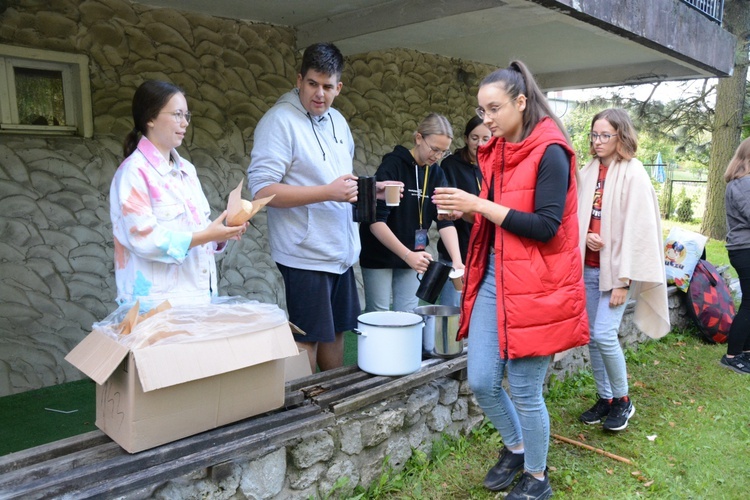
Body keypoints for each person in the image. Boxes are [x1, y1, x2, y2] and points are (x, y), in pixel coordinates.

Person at [432, 61, 589, 500]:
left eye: (495, 108)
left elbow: (546, 228)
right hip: (495, 279)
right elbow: (502, 220)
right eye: (482, 111)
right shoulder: (499, 150)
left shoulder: (551, 151)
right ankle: (518, 447)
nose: (487, 119)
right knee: (482, 379)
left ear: (521, 102)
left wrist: (478, 207)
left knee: (523, 387)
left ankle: (537, 479)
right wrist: (468, 211)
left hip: (539, 286)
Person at [247, 42, 361, 373]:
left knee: (336, 332)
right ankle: (307, 414)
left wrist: (367, 190)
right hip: (304, 253)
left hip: (340, 252)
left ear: (338, 87)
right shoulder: (279, 122)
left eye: (328, 87)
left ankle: (333, 403)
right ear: (299, 80)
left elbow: (340, 180)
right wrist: (327, 192)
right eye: (312, 83)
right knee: (306, 339)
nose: (319, 94)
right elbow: (262, 191)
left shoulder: (338, 121)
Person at [110, 80, 246, 309]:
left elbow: (201, 234)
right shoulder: (133, 172)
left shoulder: (187, 170)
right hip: (156, 307)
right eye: (177, 115)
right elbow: (144, 239)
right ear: (150, 118)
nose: (184, 123)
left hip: (198, 298)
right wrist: (206, 235)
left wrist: (221, 234)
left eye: (186, 115)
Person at [576, 108, 670, 431]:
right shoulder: (587, 171)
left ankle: (624, 400)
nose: (598, 141)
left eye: (605, 135)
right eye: (594, 134)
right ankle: (606, 398)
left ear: (621, 136)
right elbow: (577, 216)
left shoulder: (635, 173)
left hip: (618, 272)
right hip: (588, 267)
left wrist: (623, 280)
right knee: (592, 337)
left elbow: (638, 230)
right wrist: (584, 233)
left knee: (604, 332)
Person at [359, 113, 464, 314]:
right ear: (418, 138)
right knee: (379, 314)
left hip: (414, 254)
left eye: (443, 152)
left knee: (408, 314)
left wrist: (457, 260)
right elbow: (375, 222)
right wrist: (407, 255)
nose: (437, 156)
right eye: (434, 149)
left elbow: (444, 221)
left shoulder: (436, 173)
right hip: (380, 254)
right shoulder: (393, 165)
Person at [437, 116, 491, 306]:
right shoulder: (450, 165)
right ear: (466, 138)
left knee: (481, 309)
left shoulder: (494, 167)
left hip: (485, 253)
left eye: (486, 138)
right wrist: (455, 259)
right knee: (453, 313)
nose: (479, 143)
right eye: (474, 138)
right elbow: (444, 214)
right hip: (455, 251)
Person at [722, 136, 750, 374]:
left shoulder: (740, 182)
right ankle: (732, 355)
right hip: (745, 250)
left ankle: (746, 351)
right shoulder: (744, 183)